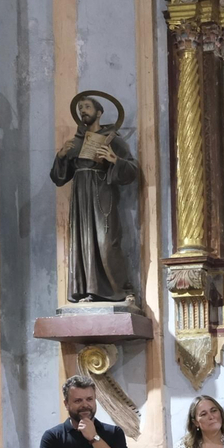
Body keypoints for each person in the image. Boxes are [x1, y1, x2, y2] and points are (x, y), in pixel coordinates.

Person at [50, 96, 140, 303]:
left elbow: (133, 170)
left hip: (102, 195)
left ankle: (121, 290)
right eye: (80, 107)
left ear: (99, 113)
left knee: (107, 242)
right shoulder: (75, 143)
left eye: (87, 107)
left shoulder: (112, 139)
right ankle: (89, 291)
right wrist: (62, 156)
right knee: (83, 243)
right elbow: (58, 178)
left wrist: (114, 160)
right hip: (81, 199)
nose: (83, 110)